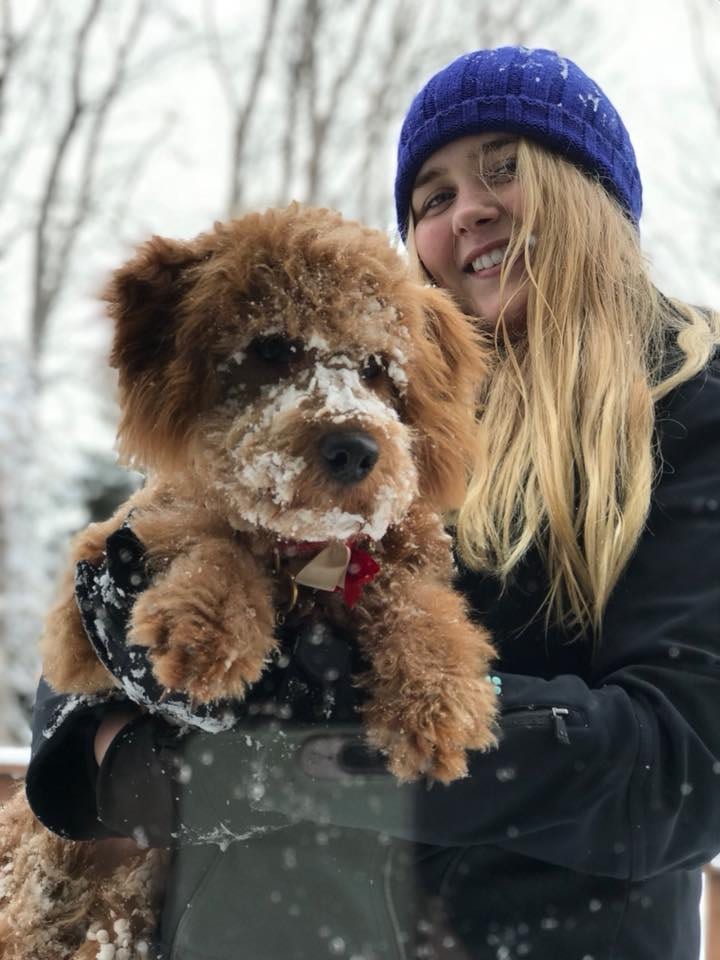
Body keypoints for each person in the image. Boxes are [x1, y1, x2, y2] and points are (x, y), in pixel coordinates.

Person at [25, 46, 720, 960]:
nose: (468, 207)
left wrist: (309, 723)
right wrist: (114, 750)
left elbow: (684, 764)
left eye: (505, 167)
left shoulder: (688, 408)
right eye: (431, 197)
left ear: (592, 194)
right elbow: (131, 577)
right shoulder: (347, 403)